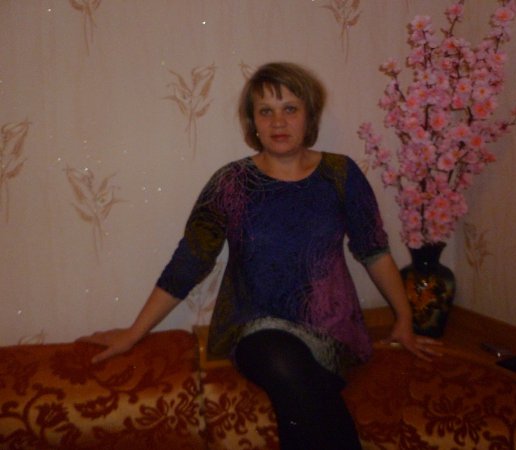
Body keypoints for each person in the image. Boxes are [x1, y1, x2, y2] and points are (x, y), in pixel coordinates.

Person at [79, 62, 441, 450]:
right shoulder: (231, 183)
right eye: (265, 111)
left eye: (290, 108)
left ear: (309, 116)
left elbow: (374, 251)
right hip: (255, 329)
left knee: (307, 399)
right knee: (282, 361)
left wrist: (404, 319)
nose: (278, 122)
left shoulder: (341, 174)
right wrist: (135, 333)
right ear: (253, 122)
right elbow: (191, 260)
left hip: (331, 331)